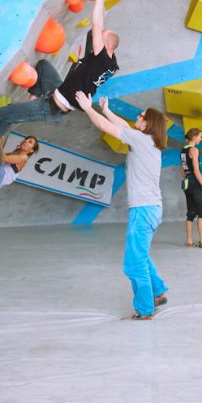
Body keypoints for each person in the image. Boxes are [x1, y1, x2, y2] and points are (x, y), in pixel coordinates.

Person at [0, 0, 119, 165]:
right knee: (43, 67)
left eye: (101, 38)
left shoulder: (102, 57)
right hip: (58, 90)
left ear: (108, 46)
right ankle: (33, 100)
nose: (97, 39)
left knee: (4, 115)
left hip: (51, 108)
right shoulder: (110, 64)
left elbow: (97, 23)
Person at [75, 92, 168, 320]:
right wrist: (106, 109)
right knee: (142, 255)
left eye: (141, 115)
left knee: (134, 264)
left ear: (147, 123)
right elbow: (122, 125)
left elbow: (106, 127)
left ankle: (145, 311)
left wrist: (89, 108)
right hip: (152, 209)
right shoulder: (147, 141)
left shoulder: (141, 140)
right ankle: (158, 292)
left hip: (143, 210)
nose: (137, 116)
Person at [180, 128, 202, 248]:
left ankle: (189, 241)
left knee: (190, 213)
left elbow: (183, 170)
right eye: (200, 136)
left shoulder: (183, 150)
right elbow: (196, 170)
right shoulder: (194, 150)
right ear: (194, 137)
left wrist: (187, 178)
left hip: (187, 182)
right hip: (194, 182)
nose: (201, 138)